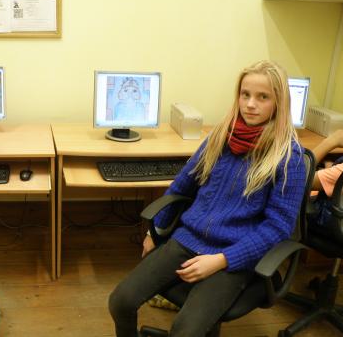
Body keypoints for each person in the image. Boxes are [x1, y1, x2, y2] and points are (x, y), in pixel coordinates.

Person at [108, 60, 307, 337]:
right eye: (245, 94)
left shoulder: (289, 158)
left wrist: (222, 260)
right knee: (120, 301)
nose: (250, 104)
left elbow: (278, 228)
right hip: (187, 240)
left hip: (233, 255)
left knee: (186, 331)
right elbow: (182, 186)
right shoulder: (219, 138)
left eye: (263, 97)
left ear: (279, 102)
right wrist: (154, 233)